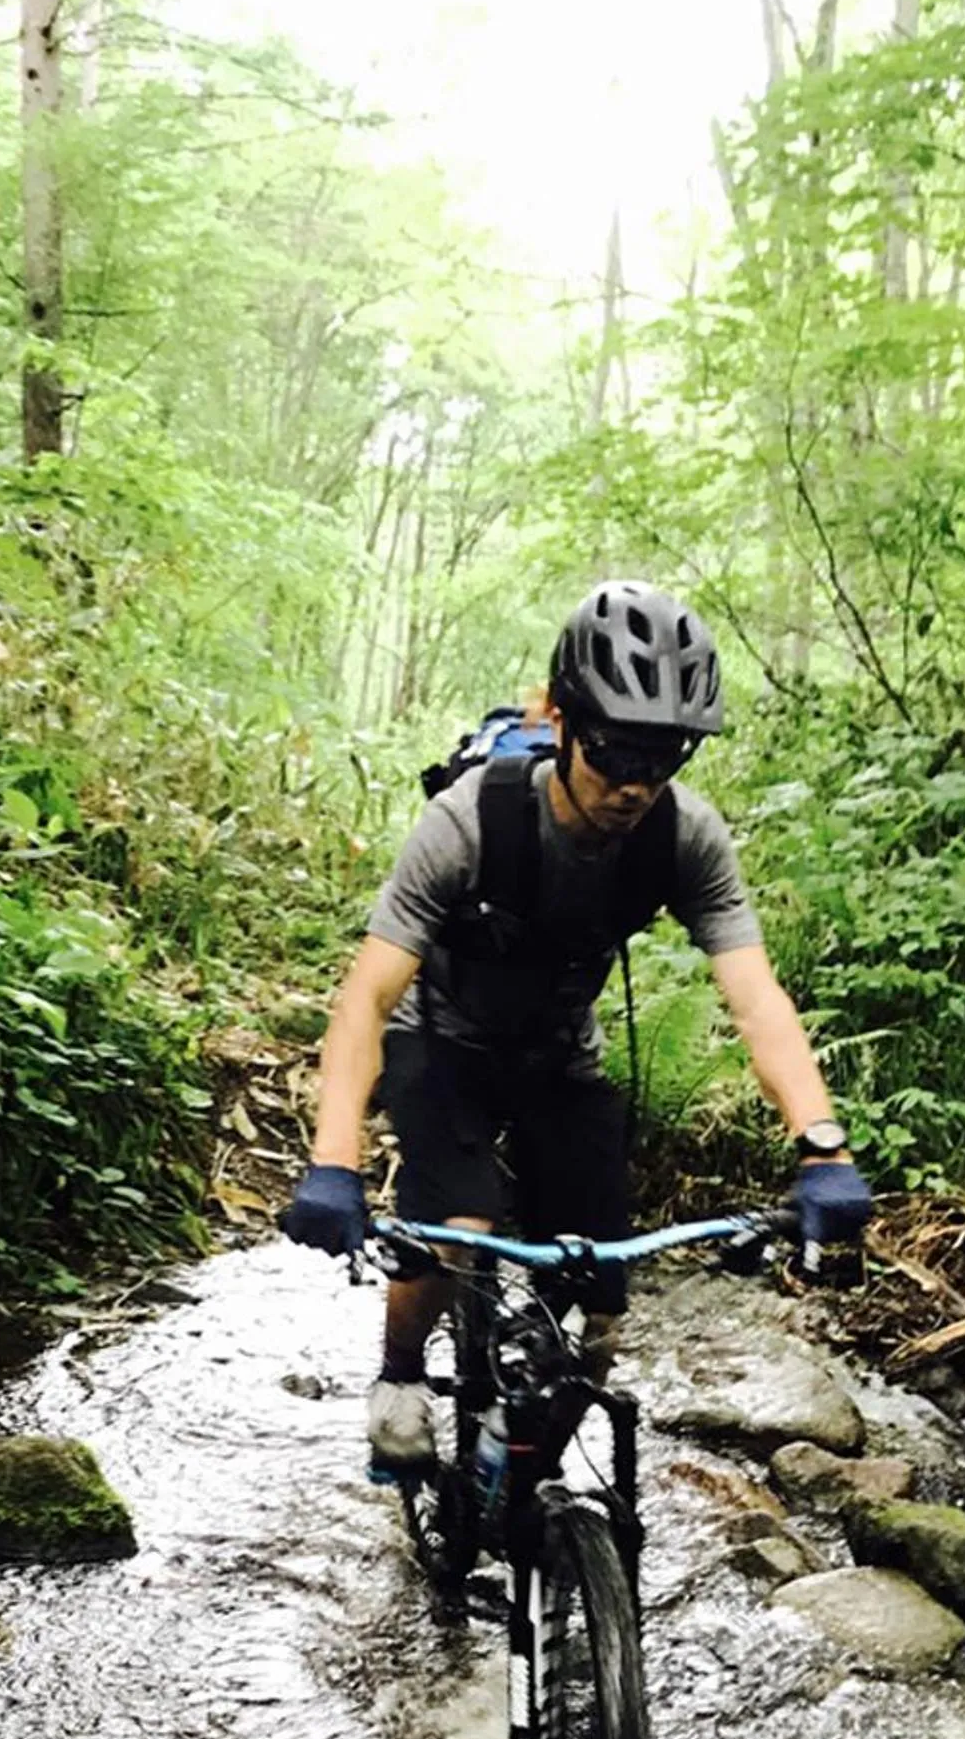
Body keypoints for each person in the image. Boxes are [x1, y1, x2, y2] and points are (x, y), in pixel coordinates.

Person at [280, 578, 872, 1469]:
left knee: (599, 1298)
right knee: (462, 1228)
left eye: (664, 757)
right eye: (613, 751)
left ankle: (527, 1480)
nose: (635, 784)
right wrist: (334, 1163)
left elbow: (757, 999)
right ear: (561, 721)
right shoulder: (467, 822)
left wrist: (822, 1149)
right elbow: (364, 995)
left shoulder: (686, 838)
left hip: (560, 1054)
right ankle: (401, 1376)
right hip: (439, 1040)